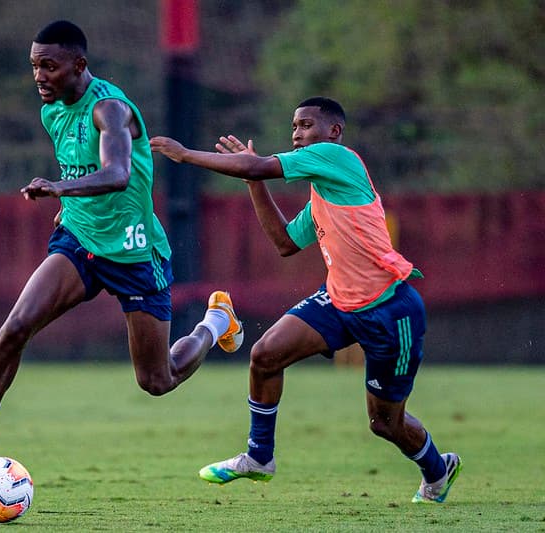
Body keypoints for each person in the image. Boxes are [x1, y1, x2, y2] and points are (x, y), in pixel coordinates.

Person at [0, 20, 243, 491]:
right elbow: (82, 168)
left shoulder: (110, 111)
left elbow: (116, 173)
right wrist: (69, 206)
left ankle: (215, 323)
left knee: (158, 380)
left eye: (49, 66)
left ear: (79, 65)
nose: (39, 76)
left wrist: (58, 189)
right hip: (79, 242)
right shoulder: (52, 110)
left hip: (136, 255)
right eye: (34, 66)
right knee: (15, 327)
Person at [150, 97, 461, 504]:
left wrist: (188, 155)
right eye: (294, 126)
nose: (297, 133)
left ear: (333, 132)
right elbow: (283, 243)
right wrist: (253, 181)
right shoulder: (322, 195)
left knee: (384, 423)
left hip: (391, 310)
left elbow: (258, 164)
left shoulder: (337, 157)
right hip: (338, 302)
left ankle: (438, 470)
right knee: (264, 355)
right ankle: (259, 458)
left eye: (306, 125)